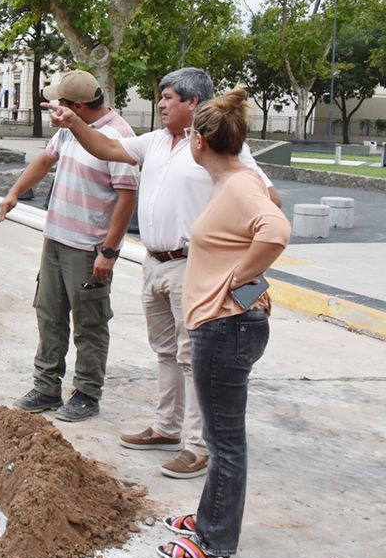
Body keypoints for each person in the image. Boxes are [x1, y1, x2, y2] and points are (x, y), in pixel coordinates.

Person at [48, 68, 281, 480]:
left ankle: (198, 447)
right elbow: (106, 147)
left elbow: (269, 201)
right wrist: (74, 122)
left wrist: (238, 270)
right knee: (167, 352)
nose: (161, 104)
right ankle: (166, 428)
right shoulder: (156, 141)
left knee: (195, 358)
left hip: (192, 266)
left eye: (169, 97)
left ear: (194, 103)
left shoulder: (221, 149)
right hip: (154, 262)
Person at [156, 88, 290, 558]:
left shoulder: (236, 184)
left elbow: (275, 232)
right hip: (231, 323)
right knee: (222, 437)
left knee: (223, 443)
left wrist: (240, 281)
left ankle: (215, 543)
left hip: (223, 330)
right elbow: (245, 240)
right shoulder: (238, 179)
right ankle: (209, 516)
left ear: (199, 142)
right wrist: (250, 286)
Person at [2, 70, 139, 422]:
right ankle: (46, 386)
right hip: (56, 239)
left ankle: (87, 393)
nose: (55, 108)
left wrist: (109, 251)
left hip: (88, 248)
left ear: (76, 106)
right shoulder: (68, 129)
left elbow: (127, 198)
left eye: (60, 102)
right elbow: (45, 161)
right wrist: (14, 193)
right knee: (49, 314)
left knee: (89, 323)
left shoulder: (118, 137)